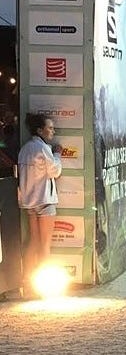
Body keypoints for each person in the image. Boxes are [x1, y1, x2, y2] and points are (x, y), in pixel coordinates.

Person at [17, 113, 62, 286]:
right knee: (45, 246)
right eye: (50, 128)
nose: (53, 131)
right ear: (39, 130)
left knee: (33, 242)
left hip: (29, 202)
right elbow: (55, 172)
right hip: (44, 200)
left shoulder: (25, 148)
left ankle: (27, 279)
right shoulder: (43, 148)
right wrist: (57, 154)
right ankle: (43, 284)